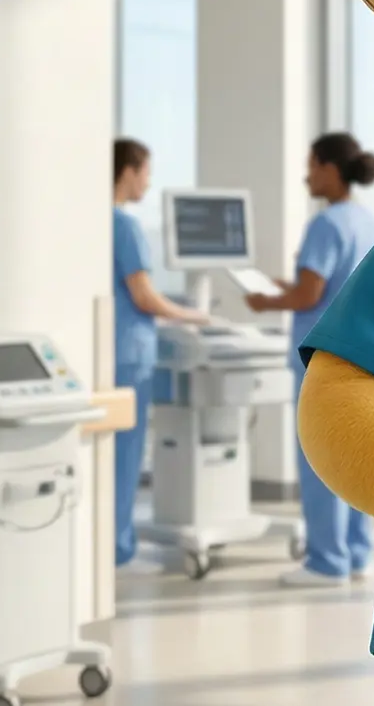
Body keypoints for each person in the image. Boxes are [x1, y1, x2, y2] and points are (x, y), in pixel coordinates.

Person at [245, 133, 374, 588]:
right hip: (362, 357)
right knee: (356, 459)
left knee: (320, 459)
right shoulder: (368, 222)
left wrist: (264, 301)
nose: (306, 176)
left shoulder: (326, 224)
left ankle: (326, 562)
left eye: (310, 166)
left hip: (320, 361)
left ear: (329, 168)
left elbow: (309, 295)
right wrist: (284, 288)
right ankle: (357, 555)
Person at [110, 138, 208, 567]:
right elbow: (144, 296)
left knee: (107, 455)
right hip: (129, 356)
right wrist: (193, 316)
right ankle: (117, 548)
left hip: (106, 349)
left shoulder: (90, 221)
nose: (148, 183)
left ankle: (108, 543)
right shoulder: (125, 226)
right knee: (124, 456)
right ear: (128, 170)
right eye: (146, 172)